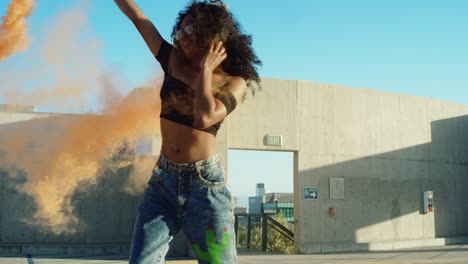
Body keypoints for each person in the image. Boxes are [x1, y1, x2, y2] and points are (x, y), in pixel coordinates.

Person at [114, 0, 261, 263]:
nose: (181, 37)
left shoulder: (234, 82)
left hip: (205, 188)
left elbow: (205, 117)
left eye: (189, 29)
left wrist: (205, 70)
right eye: (178, 31)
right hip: (162, 182)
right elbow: (138, 18)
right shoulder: (172, 61)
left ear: (212, 32)